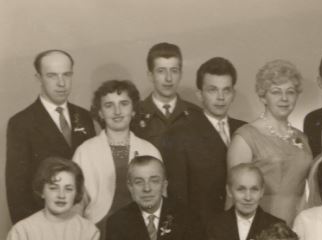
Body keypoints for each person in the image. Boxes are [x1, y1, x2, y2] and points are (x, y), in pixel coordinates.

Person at [5, 49, 95, 223]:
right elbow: (16, 189)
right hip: (44, 223)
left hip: (83, 221)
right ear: (39, 78)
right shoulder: (21, 123)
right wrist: (31, 232)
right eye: (52, 76)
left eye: (66, 75)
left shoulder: (84, 116)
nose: (61, 83)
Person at [227, 60, 312, 225]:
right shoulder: (245, 137)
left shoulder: (302, 138)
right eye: (276, 92)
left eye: (290, 92)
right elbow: (234, 195)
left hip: (300, 224)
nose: (284, 98)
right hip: (260, 226)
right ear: (263, 97)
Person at [161, 57, 245, 221]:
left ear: (233, 94)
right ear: (199, 95)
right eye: (212, 90)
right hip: (201, 228)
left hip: (242, 226)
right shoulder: (180, 134)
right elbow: (178, 197)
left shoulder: (245, 129)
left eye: (226, 90)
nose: (220, 97)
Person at [74, 79, 162, 227]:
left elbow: (160, 199)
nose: (117, 111)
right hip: (98, 229)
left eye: (124, 104)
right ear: (100, 113)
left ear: (133, 110)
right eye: (109, 105)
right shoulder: (85, 151)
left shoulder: (149, 150)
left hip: (141, 229)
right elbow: (76, 202)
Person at [204, 163, 284, 240]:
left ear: (262, 192)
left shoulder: (276, 225)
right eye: (241, 189)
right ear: (229, 191)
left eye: (254, 189)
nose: (248, 197)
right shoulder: (213, 225)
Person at [132, 42, 200, 148]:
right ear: (150, 75)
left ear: (180, 74)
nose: (168, 78)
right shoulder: (135, 116)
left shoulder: (196, 115)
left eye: (174, 71)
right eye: (161, 71)